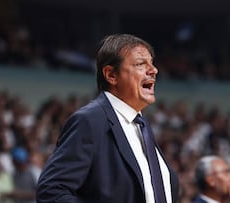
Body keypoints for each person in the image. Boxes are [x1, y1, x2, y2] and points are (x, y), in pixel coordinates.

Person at [36, 34, 179, 203]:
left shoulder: (142, 125)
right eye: (141, 64)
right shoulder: (89, 121)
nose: (154, 70)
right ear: (111, 74)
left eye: (152, 63)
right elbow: (51, 191)